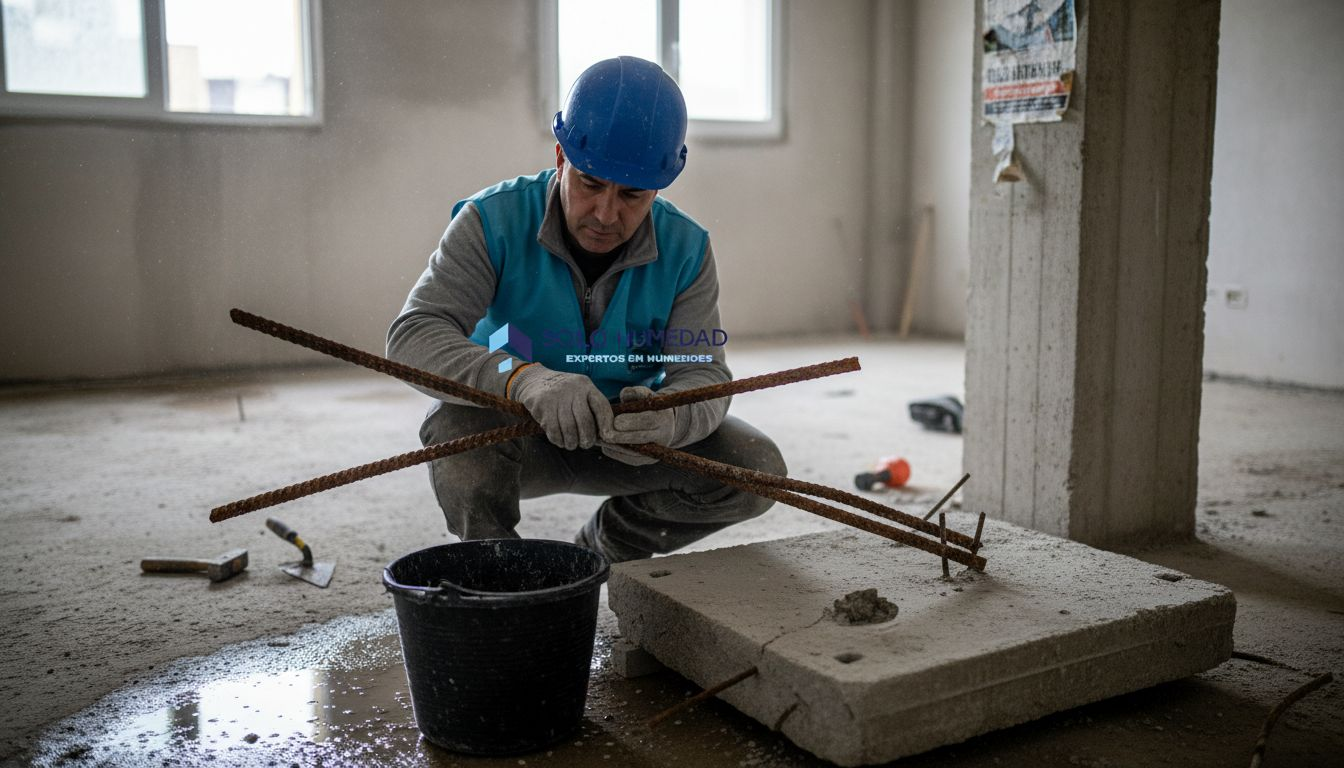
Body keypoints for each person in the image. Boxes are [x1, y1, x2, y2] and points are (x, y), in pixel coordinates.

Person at [386, 56, 785, 563]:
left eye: (632, 195)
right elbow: (413, 336)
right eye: (590, 183)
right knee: (454, 431)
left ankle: (600, 551)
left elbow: (704, 372)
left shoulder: (687, 249)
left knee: (755, 469)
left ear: (659, 187)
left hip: (628, 443)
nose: (605, 213)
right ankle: (501, 575)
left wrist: (670, 418)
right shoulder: (491, 221)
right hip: (517, 428)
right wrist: (522, 378)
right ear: (560, 157)